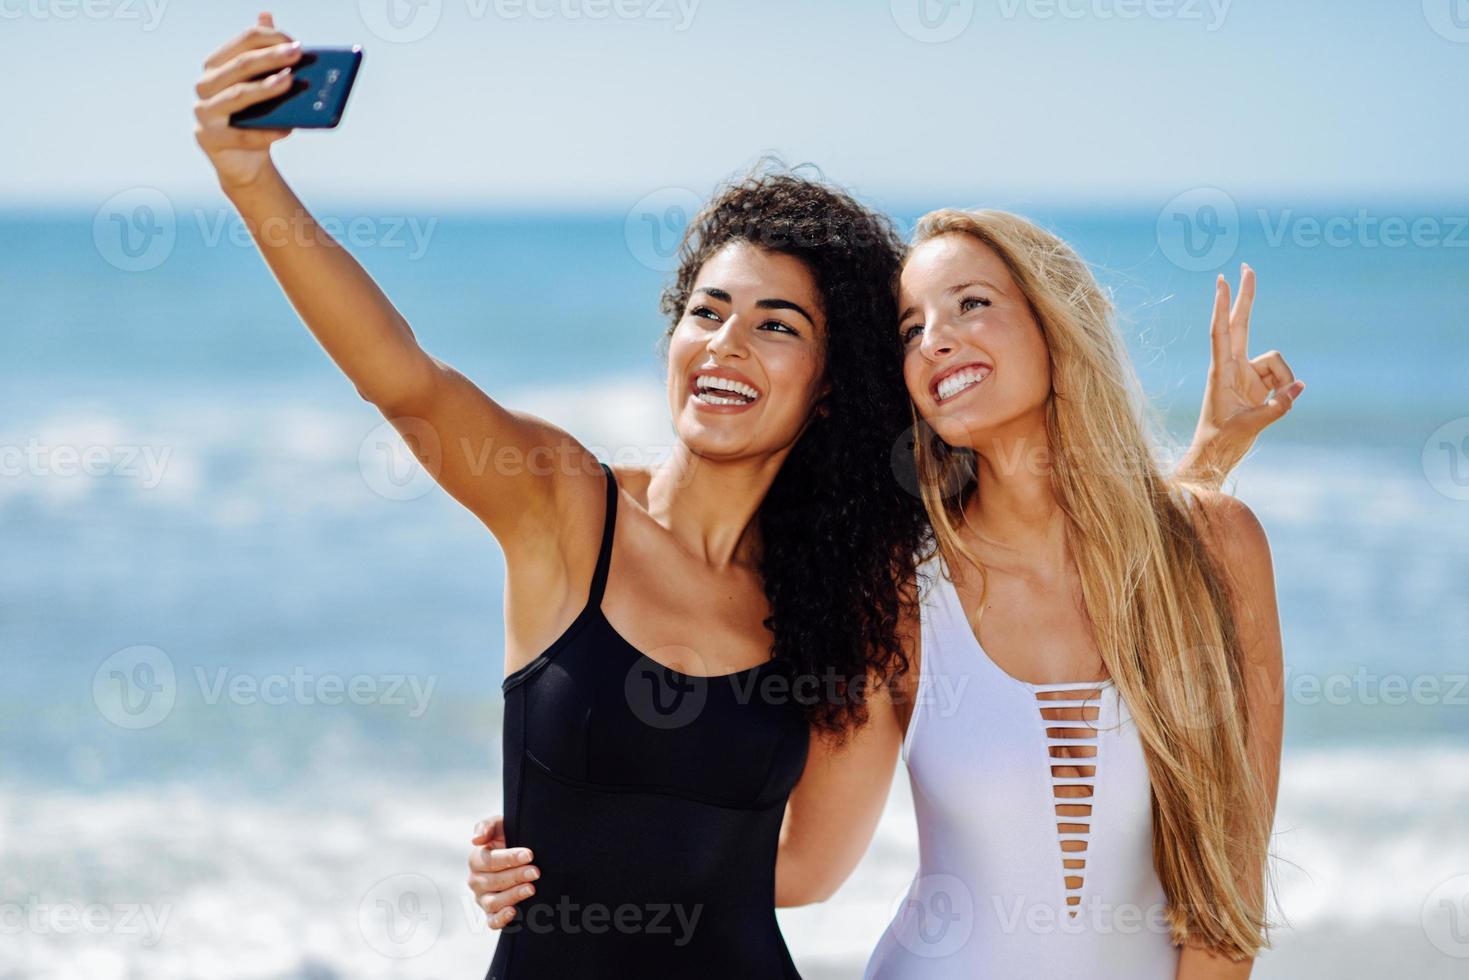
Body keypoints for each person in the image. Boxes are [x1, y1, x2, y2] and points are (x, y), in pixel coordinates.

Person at [470, 211, 1300, 979]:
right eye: (911, 330)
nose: (936, 341)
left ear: (1057, 323)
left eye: (970, 303)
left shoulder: (1217, 547)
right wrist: (568, 855)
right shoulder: (899, 589)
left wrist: (1205, 460)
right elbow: (795, 862)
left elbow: (1227, 892)